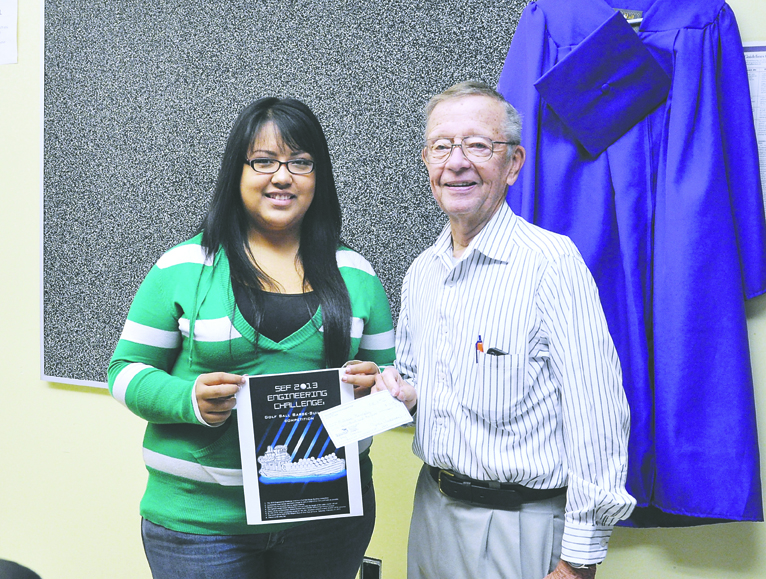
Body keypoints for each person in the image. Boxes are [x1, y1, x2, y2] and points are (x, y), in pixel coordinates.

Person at [108, 97, 395, 579]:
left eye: (300, 163)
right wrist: (190, 400)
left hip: (324, 517)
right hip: (200, 524)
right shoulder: (182, 267)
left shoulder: (357, 274)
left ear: (317, 176)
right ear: (236, 173)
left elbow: (392, 391)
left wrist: (373, 390)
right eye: (263, 161)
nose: (282, 177)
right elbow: (123, 372)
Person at [374, 81, 636, 579]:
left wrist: (579, 558)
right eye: (442, 146)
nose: (456, 162)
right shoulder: (422, 272)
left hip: (521, 525)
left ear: (513, 163)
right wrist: (405, 393)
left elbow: (598, 414)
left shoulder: (550, 263)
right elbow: (424, 389)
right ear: (426, 161)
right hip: (432, 511)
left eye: (477, 145)